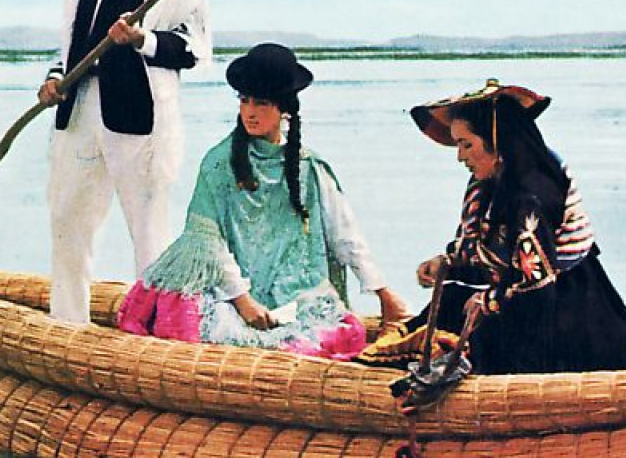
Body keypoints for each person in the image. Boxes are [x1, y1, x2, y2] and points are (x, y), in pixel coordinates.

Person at [117, 43, 410, 358]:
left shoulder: (309, 167)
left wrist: (382, 292)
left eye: (262, 103)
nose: (250, 112)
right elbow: (208, 242)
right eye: (244, 101)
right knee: (186, 323)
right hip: (227, 287)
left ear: (284, 109)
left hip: (294, 290)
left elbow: (345, 236)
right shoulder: (218, 163)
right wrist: (243, 300)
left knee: (344, 332)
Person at [37, 0, 212, 325]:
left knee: (148, 229)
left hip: (139, 114)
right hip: (81, 109)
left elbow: (195, 49)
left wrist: (143, 39)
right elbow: (72, 40)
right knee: (67, 219)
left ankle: (154, 334)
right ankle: (67, 324)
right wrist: (55, 78)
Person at [399, 79, 626, 374]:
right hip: (539, 309)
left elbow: (537, 289)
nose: (460, 156)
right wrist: (447, 266)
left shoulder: (529, 197)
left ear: (497, 141)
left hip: (579, 328)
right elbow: (501, 265)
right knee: (450, 300)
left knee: (481, 336)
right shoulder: (492, 185)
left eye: (467, 144)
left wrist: (487, 301)